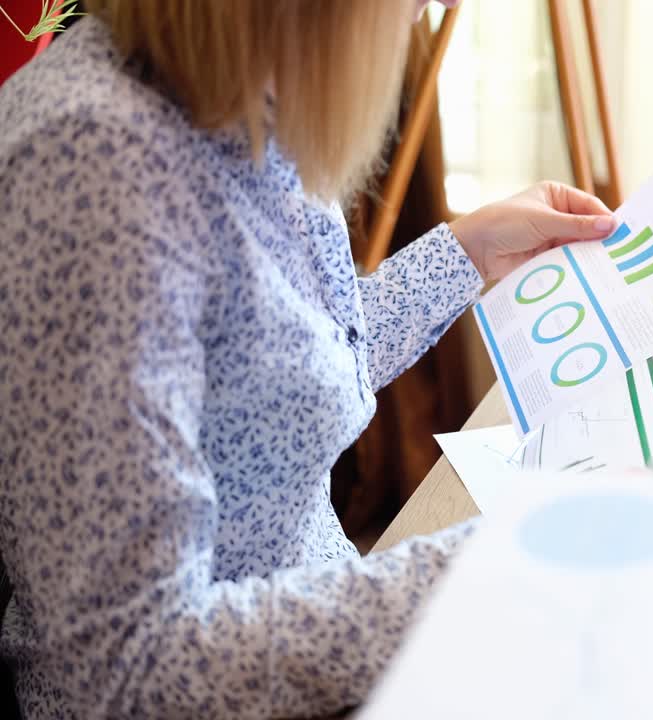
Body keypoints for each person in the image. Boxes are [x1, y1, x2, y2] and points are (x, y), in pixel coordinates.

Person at [0, 1, 617, 717]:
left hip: (314, 632)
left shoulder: (245, 89)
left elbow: (274, 375)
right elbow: (126, 664)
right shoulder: (97, 170)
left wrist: (466, 252)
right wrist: (488, 567)